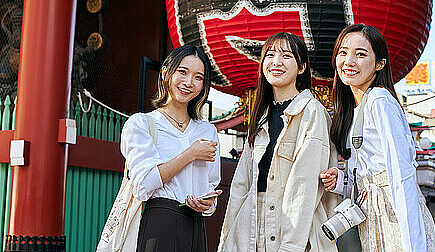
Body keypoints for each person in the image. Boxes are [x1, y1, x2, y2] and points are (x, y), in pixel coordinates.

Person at [319, 24, 435, 252]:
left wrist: (415, 246)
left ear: (380, 64)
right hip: (370, 214)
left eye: (360, 54)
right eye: (343, 52)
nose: (349, 61)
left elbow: (401, 174)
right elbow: (369, 172)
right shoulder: (353, 109)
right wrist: (342, 180)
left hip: (392, 215)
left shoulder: (379, 100)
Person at [218, 32, 338, 252]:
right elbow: (241, 185)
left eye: (286, 56)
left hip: (292, 227)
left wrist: (290, 247)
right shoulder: (260, 115)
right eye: (270, 55)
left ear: (301, 67)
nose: (276, 62)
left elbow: (305, 186)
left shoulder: (312, 112)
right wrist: (227, 239)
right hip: (251, 224)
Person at [121, 45, 221, 252]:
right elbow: (142, 186)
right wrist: (190, 155)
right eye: (182, 72)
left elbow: (211, 184)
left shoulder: (207, 131)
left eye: (198, 77)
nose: (188, 83)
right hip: (160, 223)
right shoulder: (142, 124)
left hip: (196, 226)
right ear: (166, 72)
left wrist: (207, 204)